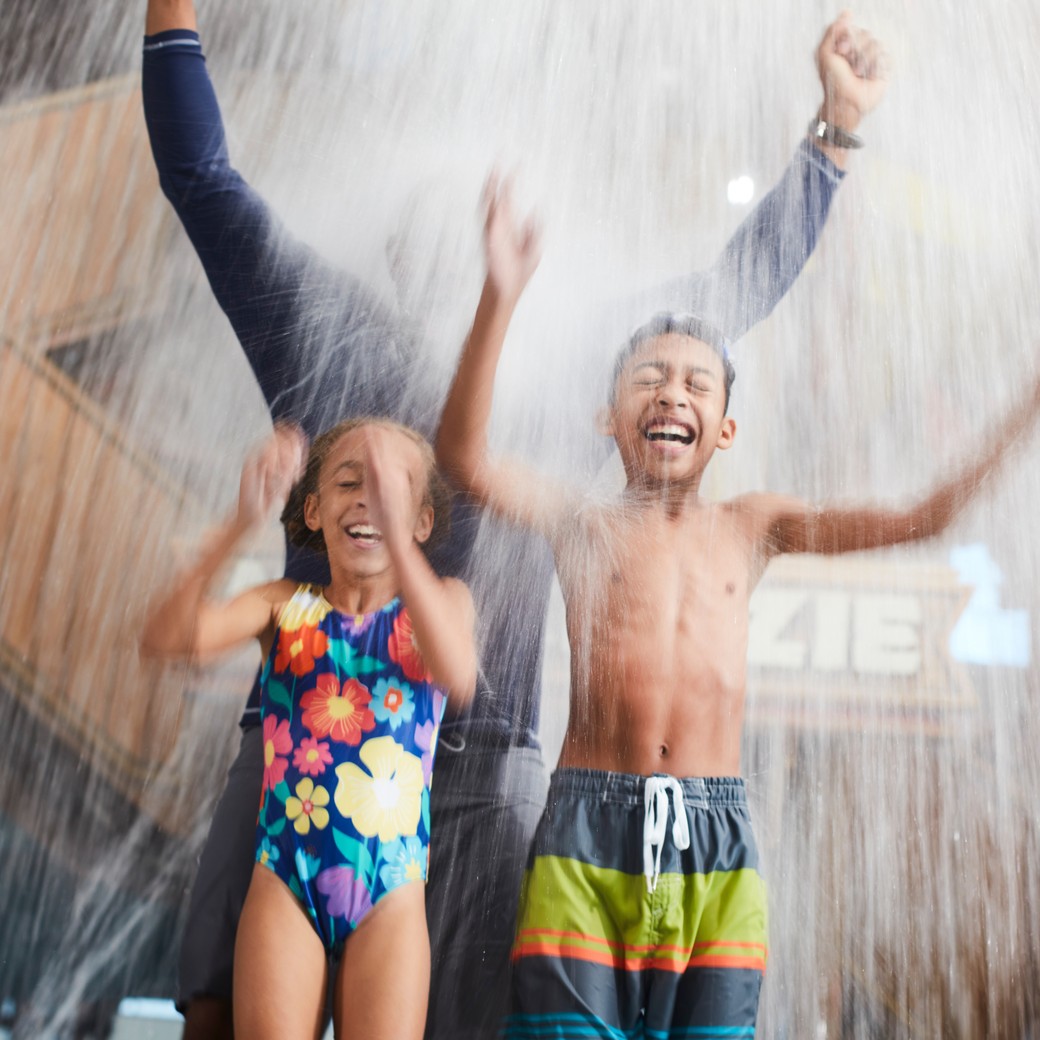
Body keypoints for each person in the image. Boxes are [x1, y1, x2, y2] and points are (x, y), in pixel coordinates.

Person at [140, 2, 885, 1035]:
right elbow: (203, 183)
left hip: (479, 764)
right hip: (309, 738)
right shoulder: (324, 328)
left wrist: (833, 135)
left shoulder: (552, 380)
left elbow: (730, 290)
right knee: (225, 1012)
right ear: (396, 255)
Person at [435, 181, 1040, 1037]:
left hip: (715, 838)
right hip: (585, 825)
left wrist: (1026, 413)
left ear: (724, 429)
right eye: (649, 379)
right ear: (607, 418)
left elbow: (924, 516)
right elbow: (464, 459)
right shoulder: (582, 523)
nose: (672, 393)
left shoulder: (753, 526)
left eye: (696, 383)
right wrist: (498, 299)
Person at [142, 420, 477, 1040]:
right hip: (285, 878)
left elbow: (457, 674)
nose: (367, 498)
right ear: (315, 510)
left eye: (389, 491)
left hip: (392, 891)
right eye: (349, 483)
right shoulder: (282, 604)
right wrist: (242, 521)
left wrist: (401, 550)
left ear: (422, 521)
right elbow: (167, 640)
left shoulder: (444, 602)